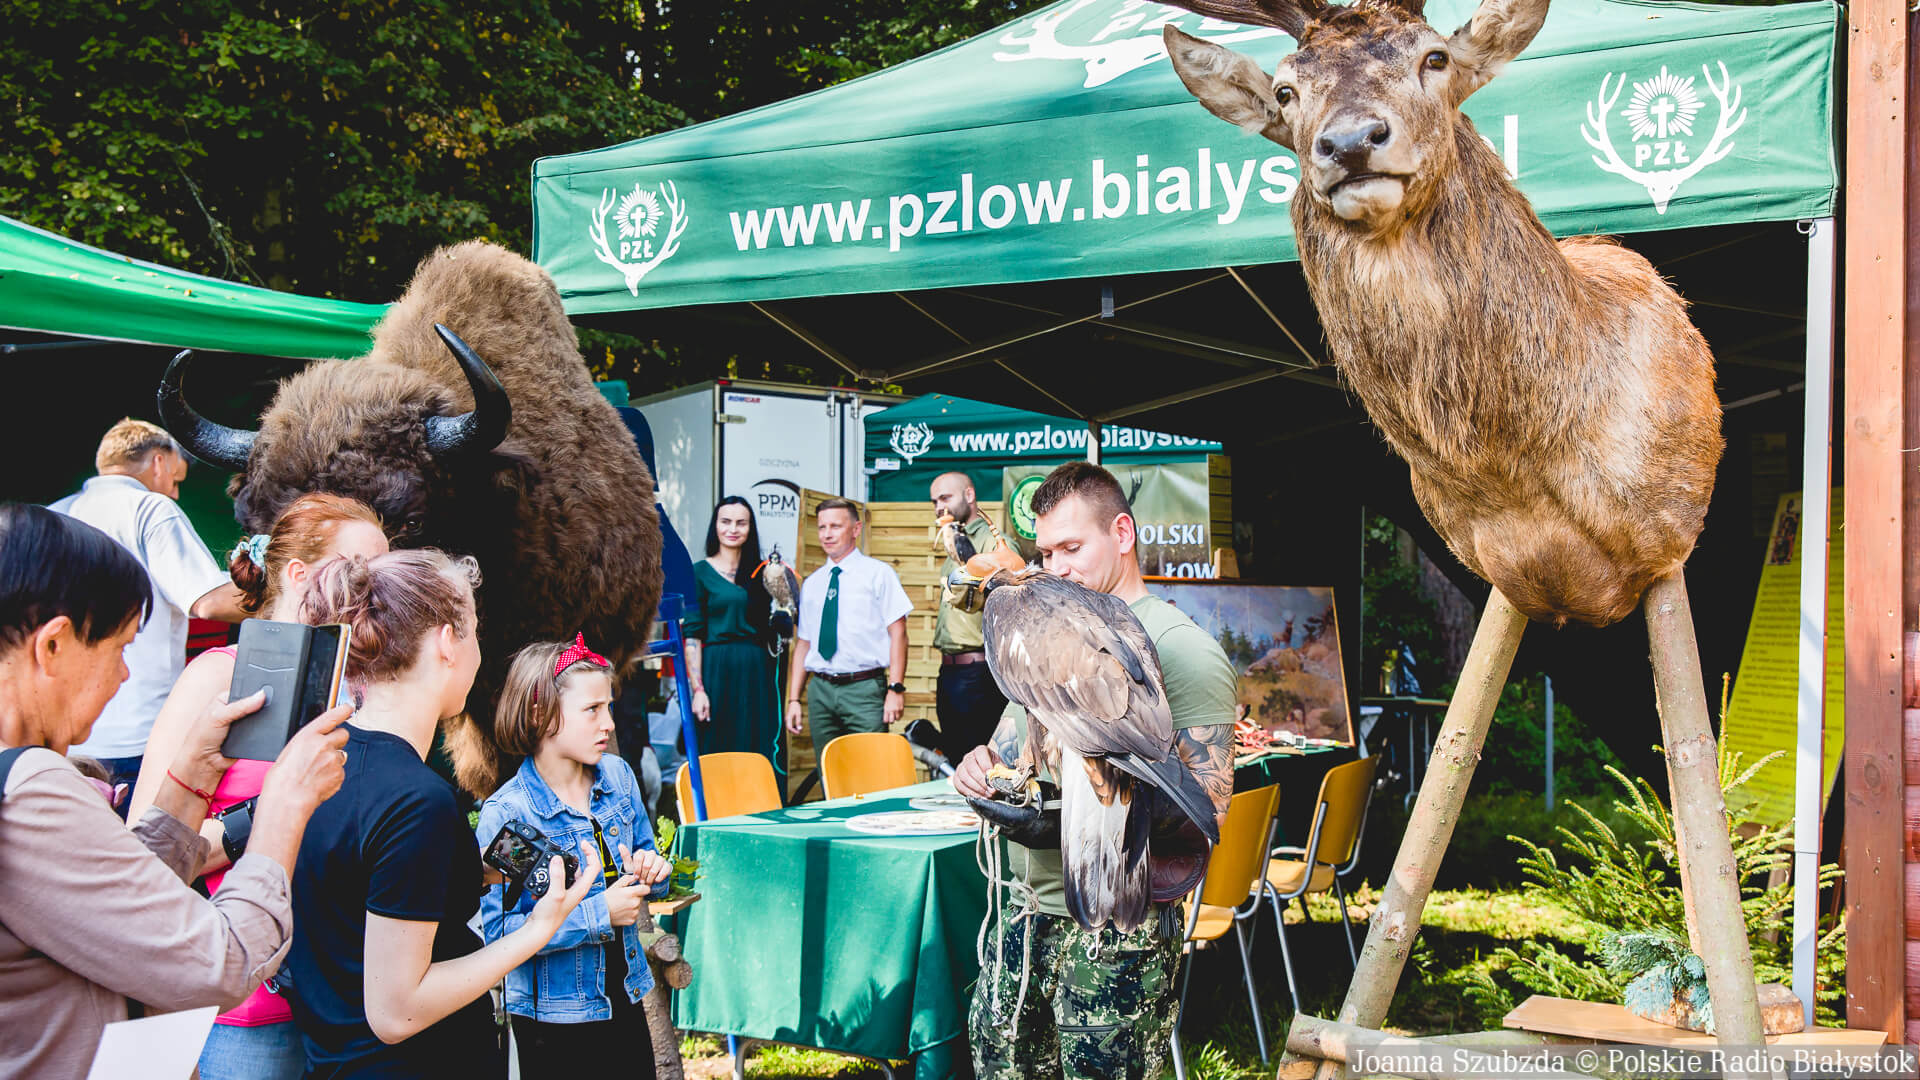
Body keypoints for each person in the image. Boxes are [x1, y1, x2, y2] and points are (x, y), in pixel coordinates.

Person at [0, 503, 349, 1080]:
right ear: (53, 646)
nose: (125, 676)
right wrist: (281, 813)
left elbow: (109, 906)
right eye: (120, 648)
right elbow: (221, 964)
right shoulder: (32, 792)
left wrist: (191, 778)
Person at [953, 463, 1236, 1080]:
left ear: (1123, 534)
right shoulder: (1046, 622)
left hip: (1118, 925)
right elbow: (1009, 750)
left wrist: (1074, 818)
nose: (1056, 568)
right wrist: (981, 768)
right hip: (1024, 913)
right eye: (1046, 551)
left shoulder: (1181, 646)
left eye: (1073, 548)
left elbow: (1208, 807)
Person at [285, 551, 598, 1078]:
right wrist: (538, 929)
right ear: (447, 642)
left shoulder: (318, 758)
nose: (479, 651)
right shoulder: (416, 800)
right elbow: (396, 1011)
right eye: (474, 631)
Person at [125, 493, 388, 1080]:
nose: (375, 592)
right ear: (298, 575)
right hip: (248, 1004)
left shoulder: (366, 687)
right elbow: (139, 854)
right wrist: (272, 814)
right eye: (359, 571)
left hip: (349, 993)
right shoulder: (218, 676)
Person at [476, 637, 674, 1078]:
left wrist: (653, 872)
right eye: (592, 710)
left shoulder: (618, 777)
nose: (608, 722)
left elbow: (646, 858)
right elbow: (499, 937)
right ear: (539, 713)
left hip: (625, 996)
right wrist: (598, 914)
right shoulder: (509, 817)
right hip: (554, 1022)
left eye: (608, 706)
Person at [50, 419, 248, 802]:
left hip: (68, 736)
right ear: (158, 462)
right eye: (175, 481)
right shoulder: (150, 508)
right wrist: (287, 598)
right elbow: (207, 601)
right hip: (140, 732)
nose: (174, 494)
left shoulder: (56, 513)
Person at [783, 499, 913, 754]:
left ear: (856, 529)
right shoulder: (813, 583)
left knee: (871, 771)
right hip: (820, 690)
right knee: (828, 770)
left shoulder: (879, 574)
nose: (827, 534)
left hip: (863, 690)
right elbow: (804, 644)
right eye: (822, 527)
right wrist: (794, 699)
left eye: (835, 526)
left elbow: (899, 634)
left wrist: (895, 689)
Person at [685, 497, 781, 769]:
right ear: (715, 526)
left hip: (758, 669)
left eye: (741, 522)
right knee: (719, 744)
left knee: (757, 743)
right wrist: (698, 689)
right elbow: (692, 636)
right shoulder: (699, 572)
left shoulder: (764, 572)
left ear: (751, 528)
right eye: (726, 521)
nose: (733, 529)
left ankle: (763, 808)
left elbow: (779, 625)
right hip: (717, 668)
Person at [929, 471, 1007, 765]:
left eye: (945, 497)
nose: (938, 506)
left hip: (979, 673)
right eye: (934, 501)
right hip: (950, 673)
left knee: (981, 765)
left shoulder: (994, 542)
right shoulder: (952, 538)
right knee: (954, 762)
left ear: (970, 496)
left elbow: (1007, 601)